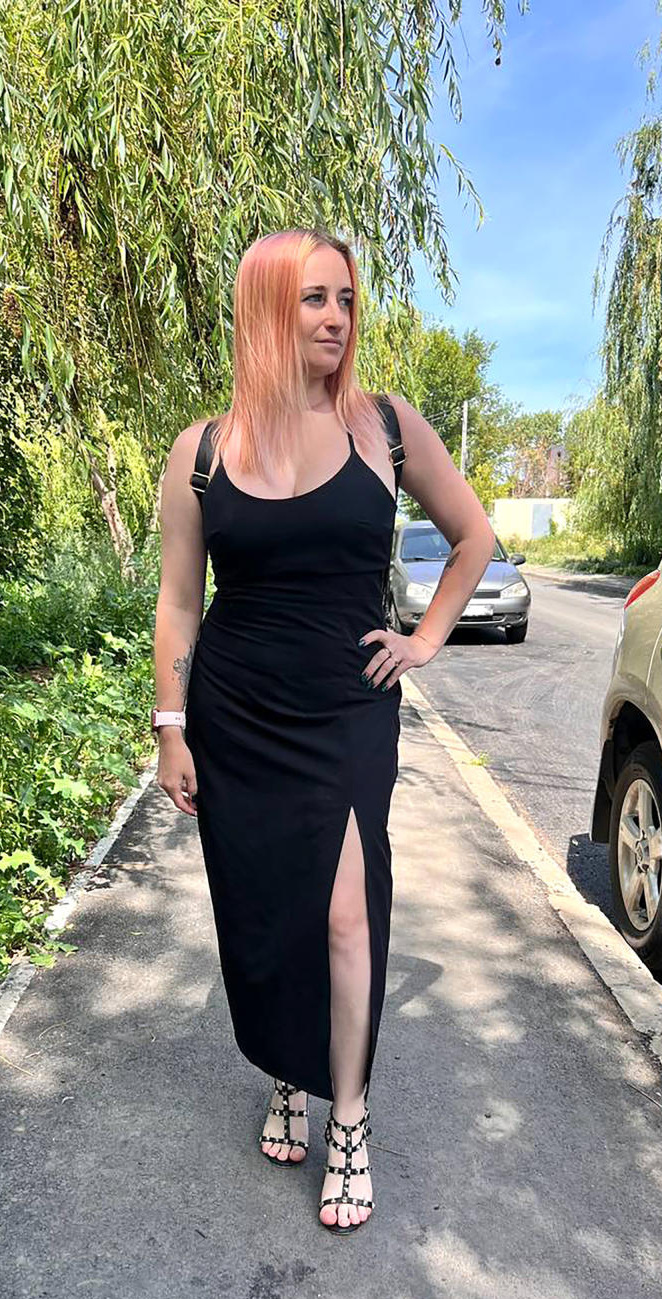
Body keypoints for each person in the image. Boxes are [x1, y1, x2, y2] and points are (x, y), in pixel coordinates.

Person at [152, 227, 495, 1235]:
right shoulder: (202, 452)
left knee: (347, 910)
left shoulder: (387, 428)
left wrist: (425, 639)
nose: (337, 318)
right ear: (266, 307)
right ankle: (286, 1071)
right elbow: (179, 602)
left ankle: (347, 1113)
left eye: (346, 298)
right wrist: (171, 727)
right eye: (314, 298)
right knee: (269, 910)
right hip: (236, 712)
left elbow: (474, 537)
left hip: (347, 707)